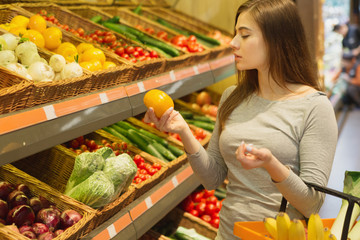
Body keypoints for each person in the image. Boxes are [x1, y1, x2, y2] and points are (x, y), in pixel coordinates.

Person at [144, 0, 338, 239]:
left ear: (277, 40)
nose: (233, 43)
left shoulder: (314, 107)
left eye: (245, 35)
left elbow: (312, 204)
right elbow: (213, 178)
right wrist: (183, 131)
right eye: (235, 34)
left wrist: (271, 164)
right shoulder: (231, 98)